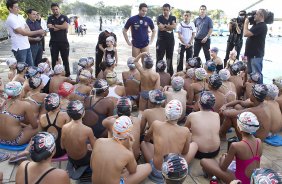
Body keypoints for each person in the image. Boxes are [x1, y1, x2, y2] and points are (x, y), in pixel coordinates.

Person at [141, 99, 198, 183]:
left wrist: (158, 141)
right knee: (195, 145)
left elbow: (146, 139)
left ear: (166, 112)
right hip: (174, 173)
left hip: (157, 172)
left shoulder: (156, 124)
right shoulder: (185, 131)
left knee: (143, 143)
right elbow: (185, 152)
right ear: (179, 115)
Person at [200, 112, 262, 184]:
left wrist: (223, 158)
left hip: (239, 181)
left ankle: (217, 178)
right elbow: (248, 159)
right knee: (231, 159)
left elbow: (223, 168)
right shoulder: (259, 141)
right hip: (254, 180)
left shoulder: (235, 145)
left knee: (204, 161)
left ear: (239, 128)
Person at [91, 116, 152, 184]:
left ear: (113, 129)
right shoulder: (126, 153)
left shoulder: (99, 141)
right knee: (148, 167)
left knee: (120, 167)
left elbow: (91, 165)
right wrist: (130, 147)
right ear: (128, 133)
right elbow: (133, 171)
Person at [61, 100, 95, 179]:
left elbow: (63, 147)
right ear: (83, 113)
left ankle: (73, 164)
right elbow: (94, 148)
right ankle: (84, 168)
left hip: (70, 157)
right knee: (93, 145)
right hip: (83, 159)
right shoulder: (87, 130)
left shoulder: (64, 127)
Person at [5, 0, 45, 66]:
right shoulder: (11, 19)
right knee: (22, 69)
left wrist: (21, 31)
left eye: (18, 7)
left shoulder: (20, 16)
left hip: (27, 45)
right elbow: (24, 33)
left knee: (30, 68)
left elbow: (27, 29)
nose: (18, 8)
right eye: (16, 7)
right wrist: (38, 31)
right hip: (19, 47)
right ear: (10, 8)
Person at [185, 91, 220, 159]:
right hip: (215, 151)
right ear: (213, 105)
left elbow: (185, 130)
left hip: (199, 152)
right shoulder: (216, 115)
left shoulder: (192, 115)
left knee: (189, 133)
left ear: (199, 103)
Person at [40, 93, 70, 158]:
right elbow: (68, 134)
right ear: (59, 104)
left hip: (47, 151)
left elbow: (40, 135)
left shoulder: (42, 117)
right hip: (60, 151)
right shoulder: (65, 115)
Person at [244, 9, 268, 84]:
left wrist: (246, 23)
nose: (254, 15)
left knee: (257, 75)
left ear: (261, 16)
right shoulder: (256, 25)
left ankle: (260, 92)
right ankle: (252, 91)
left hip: (256, 55)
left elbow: (245, 33)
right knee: (250, 74)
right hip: (251, 54)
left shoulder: (262, 26)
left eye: (256, 14)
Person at [47, 3, 70, 77]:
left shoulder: (64, 17)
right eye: (53, 9)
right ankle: (55, 75)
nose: (55, 11)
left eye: (56, 9)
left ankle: (67, 75)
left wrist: (55, 26)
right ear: (51, 10)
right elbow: (50, 27)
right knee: (54, 60)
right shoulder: (50, 18)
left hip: (64, 42)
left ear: (59, 9)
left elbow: (66, 26)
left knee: (65, 60)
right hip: (54, 43)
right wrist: (61, 26)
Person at [156, 3, 176, 76]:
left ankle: (169, 75)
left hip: (170, 41)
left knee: (169, 58)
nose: (165, 11)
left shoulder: (173, 17)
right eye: (164, 10)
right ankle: (158, 75)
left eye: (167, 10)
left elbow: (174, 27)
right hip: (161, 41)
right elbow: (160, 28)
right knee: (159, 58)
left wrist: (165, 26)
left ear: (169, 10)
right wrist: (169, 27)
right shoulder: (159, 17)